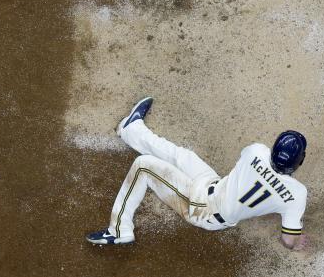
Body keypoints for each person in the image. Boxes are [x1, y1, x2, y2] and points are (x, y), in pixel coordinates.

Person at [85, 97, 310, 251]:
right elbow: (288, 240)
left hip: (202, 209)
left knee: (143, 166)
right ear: (299, 162)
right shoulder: (297, 195)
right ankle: (131, 130)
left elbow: (260, 178)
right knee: (183, 156)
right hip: (211, 188)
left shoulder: (256, 152)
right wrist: (296, 243)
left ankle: (119, 230)